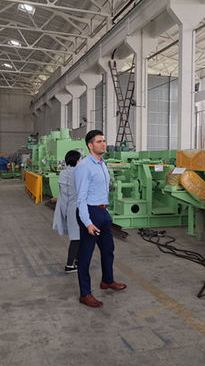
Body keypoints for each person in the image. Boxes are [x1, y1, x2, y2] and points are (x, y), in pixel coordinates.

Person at [74, 130, 126, 307]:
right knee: (86, 255)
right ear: (90, 146)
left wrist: (106, 212)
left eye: (103, 140)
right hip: (90, 213)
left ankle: (107, 280)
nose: (103, 144)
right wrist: (88, 223)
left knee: (108, 249)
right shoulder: (84, 167)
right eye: (98, 142)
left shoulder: (103, 164)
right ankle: (85, 294)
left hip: (103, 212)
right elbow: (81, 198)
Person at [52, 150, 82, 273]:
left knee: (77, 236)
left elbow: (63, 194)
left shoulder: (63, 173)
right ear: (77, 160)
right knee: (76, 238)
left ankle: (77, 260)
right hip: (78, 208)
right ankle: (69, 265)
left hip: (68, 208)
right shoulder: (79, 173)